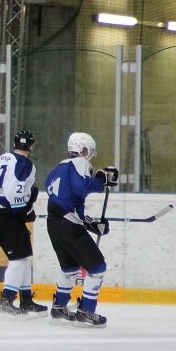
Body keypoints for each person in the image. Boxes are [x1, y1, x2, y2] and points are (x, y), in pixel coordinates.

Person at [43, 132, 118, 327]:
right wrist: (101, 182)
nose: (89, 155)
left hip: (54, 224)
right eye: (88, 151)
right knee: (97, 267)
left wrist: (87, 222)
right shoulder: (80, 163)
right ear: (83, 150)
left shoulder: (58, 169)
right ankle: (86, 311)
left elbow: (65, 197)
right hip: (69, 226)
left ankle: (59, 307)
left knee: (70, 268)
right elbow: (80, 187)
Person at [0, 129, 47, 317]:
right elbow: (14, 193)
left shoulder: (3, 158)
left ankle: (26, 299)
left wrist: (24, 206)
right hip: (6, 215)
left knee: (25, 255)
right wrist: (26, 210)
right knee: (19, 258)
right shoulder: (25, 164)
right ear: (31, 146)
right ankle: (7, 301)